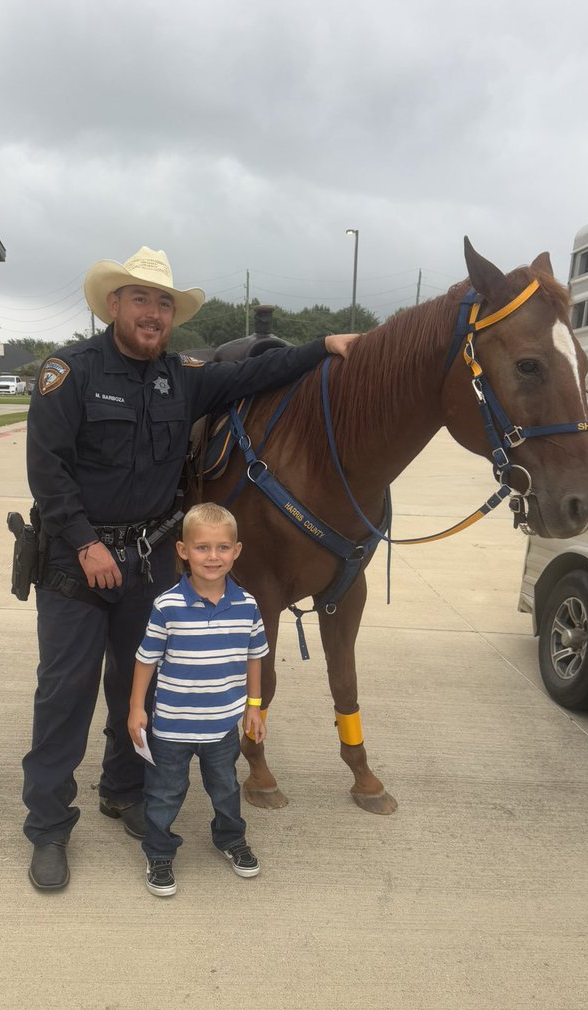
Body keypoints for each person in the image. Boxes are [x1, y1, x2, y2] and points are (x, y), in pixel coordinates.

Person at [23, 245, 357, 891]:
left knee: (134, 686)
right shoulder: (70, 372)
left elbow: (264, 372)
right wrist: (86, 543)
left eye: (164, 303)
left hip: (148, 560)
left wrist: (325, 344)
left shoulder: (184, 377)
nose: (153, 313)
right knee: (64, 694)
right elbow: (48, 468)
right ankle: (47, 828)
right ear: (114, 305)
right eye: (140, 299)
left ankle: (121, 792)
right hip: (77, 561)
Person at [127, 502, 266, 897]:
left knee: (225, 789)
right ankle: (158, 851)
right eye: (202, 547)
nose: (213, 556)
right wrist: (137, 707)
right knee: (164, 792)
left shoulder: (247, 605)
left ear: (236, 551)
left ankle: (230, 838)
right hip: (171, 727)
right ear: (183, 551)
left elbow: (255, 656)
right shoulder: (167, 606)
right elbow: (145, 660)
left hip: (222, 726)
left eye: (222, 548)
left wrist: (253, 707)